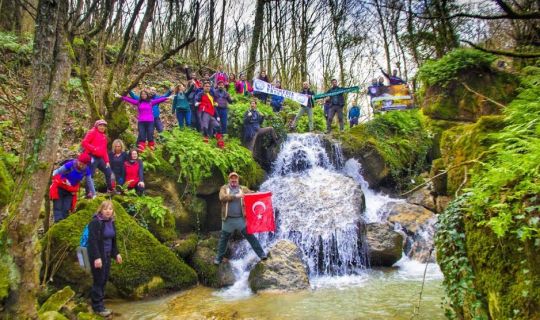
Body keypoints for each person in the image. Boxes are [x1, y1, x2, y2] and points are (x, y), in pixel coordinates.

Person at [214, 172, 267, 265]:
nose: (234, 180)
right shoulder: (224, 188)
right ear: (229, 180)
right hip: (228, 219)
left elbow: (253, 194)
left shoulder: (243, 189)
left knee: (251, 237)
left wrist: (265, 195)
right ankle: (218, 259)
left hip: (241, 219)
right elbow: (222, 197)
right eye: (232, 179)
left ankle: (262, 254)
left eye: (235, 179)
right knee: (223, 239)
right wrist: (235, 196)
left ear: (238, 180)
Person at [87, 200, 122, 317]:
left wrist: (116, 254)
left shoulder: (111, 222)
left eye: (110, 209)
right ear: (101, 210)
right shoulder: (95, 223)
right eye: (106, 209)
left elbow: (113, 240)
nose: (108, 211)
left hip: (107, 256)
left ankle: (101, 305)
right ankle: (97, 307)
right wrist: (97, 258)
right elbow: (92, 242)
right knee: (99, 280)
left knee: (104, 279)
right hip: (98, 257)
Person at [50, 153, 94, 222]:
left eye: (83, 164)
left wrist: (94, 194)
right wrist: (50, 177)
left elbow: (89, 181)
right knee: (58, 207)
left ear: (86, 164)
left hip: (70, 190)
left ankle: (64, 223)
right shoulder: (70, 164)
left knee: (66, 208)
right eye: (80, 163)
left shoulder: (86, 170)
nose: (81, 165)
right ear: (78, 160)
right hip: (60, 187)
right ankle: (58, 223)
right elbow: (58, 171)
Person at [81, 119, 113, 193]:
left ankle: (110, 189)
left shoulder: (104, 136)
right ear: (97, 126)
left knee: (108, 171)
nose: (102, 127)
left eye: (104, 126)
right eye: (100, 125)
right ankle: (88, 192)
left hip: (100, 158)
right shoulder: (92, 132)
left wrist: (107, 161)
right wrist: (94, 149)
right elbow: (84, 143)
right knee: (90, 174)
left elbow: (104, 150)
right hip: (91, 156)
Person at [195, 81, 224, 147]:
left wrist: (217, 115)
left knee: (218, 127)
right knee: (205, 128)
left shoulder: (211, 96)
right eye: (206, 86)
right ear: (203, 87)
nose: (208, 87)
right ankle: (205, 146)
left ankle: (220, 144)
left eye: (209, 86)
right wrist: (196, 102)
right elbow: (196, 99)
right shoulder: (200, 94)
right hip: (204, 112)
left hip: (211, 114)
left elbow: (213, 105)